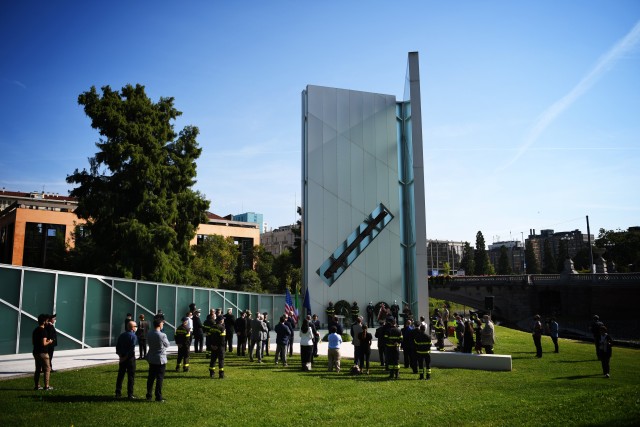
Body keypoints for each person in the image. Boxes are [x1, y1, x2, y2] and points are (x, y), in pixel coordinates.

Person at [146, 316, 169, 402]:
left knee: (151, 377)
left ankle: (148, 395)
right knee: (159, 378)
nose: (163, 324)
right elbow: (167, 345)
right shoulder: (162, 335)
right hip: (160, 359)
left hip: (152, 357)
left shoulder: (149, 333)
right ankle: (158, 396)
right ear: (159, 324)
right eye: (162, 323)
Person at [115, 319, 138, 399]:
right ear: (132, 328)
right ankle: (130, 394)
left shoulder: (122, 335)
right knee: (131, 377)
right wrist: (125, 357)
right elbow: (132, 349)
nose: (136, 328)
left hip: (122, 358)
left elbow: (117, 347)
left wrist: (121, 356)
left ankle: (118, 393)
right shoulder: (133, 336)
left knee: (120, 376)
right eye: (135, 326)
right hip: (130, 359)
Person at [33, 313, 54, 391]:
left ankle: (37, 386)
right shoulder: (43, 331)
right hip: (43, 353)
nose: (47, 322)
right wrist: (50, 341)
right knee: (47, 369)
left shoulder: (35, 330)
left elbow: (34, 342)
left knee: (37, 369)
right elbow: (44, 343)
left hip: (36, 352)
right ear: (44, 321)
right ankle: (47, 386)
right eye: (47, 320)